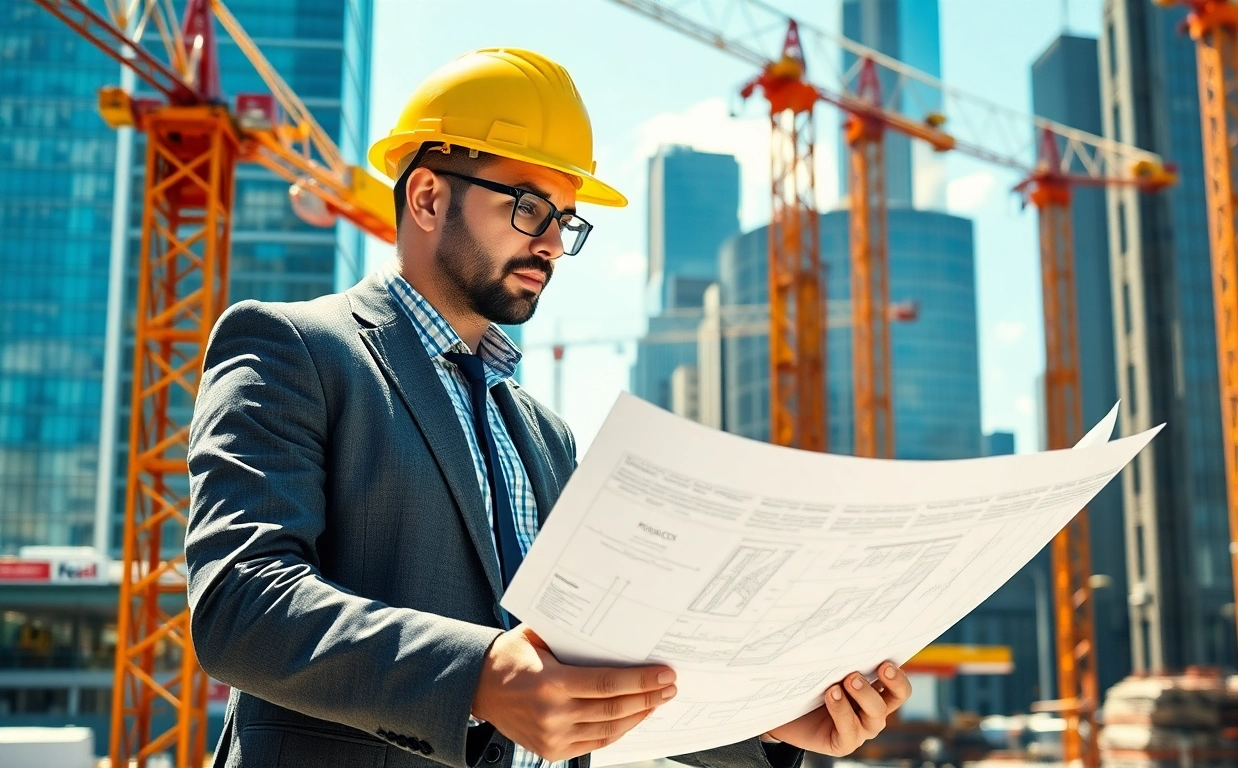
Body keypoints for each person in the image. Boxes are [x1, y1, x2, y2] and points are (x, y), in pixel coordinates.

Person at [185, 47, 911, 768]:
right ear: (429, 197)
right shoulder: (293, 349)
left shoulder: (545, 436)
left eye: (567, 220)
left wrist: (768, 720)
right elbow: (240, 602)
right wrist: (477, 675)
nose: (555, 245)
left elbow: (589, 664)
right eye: (532, 207)